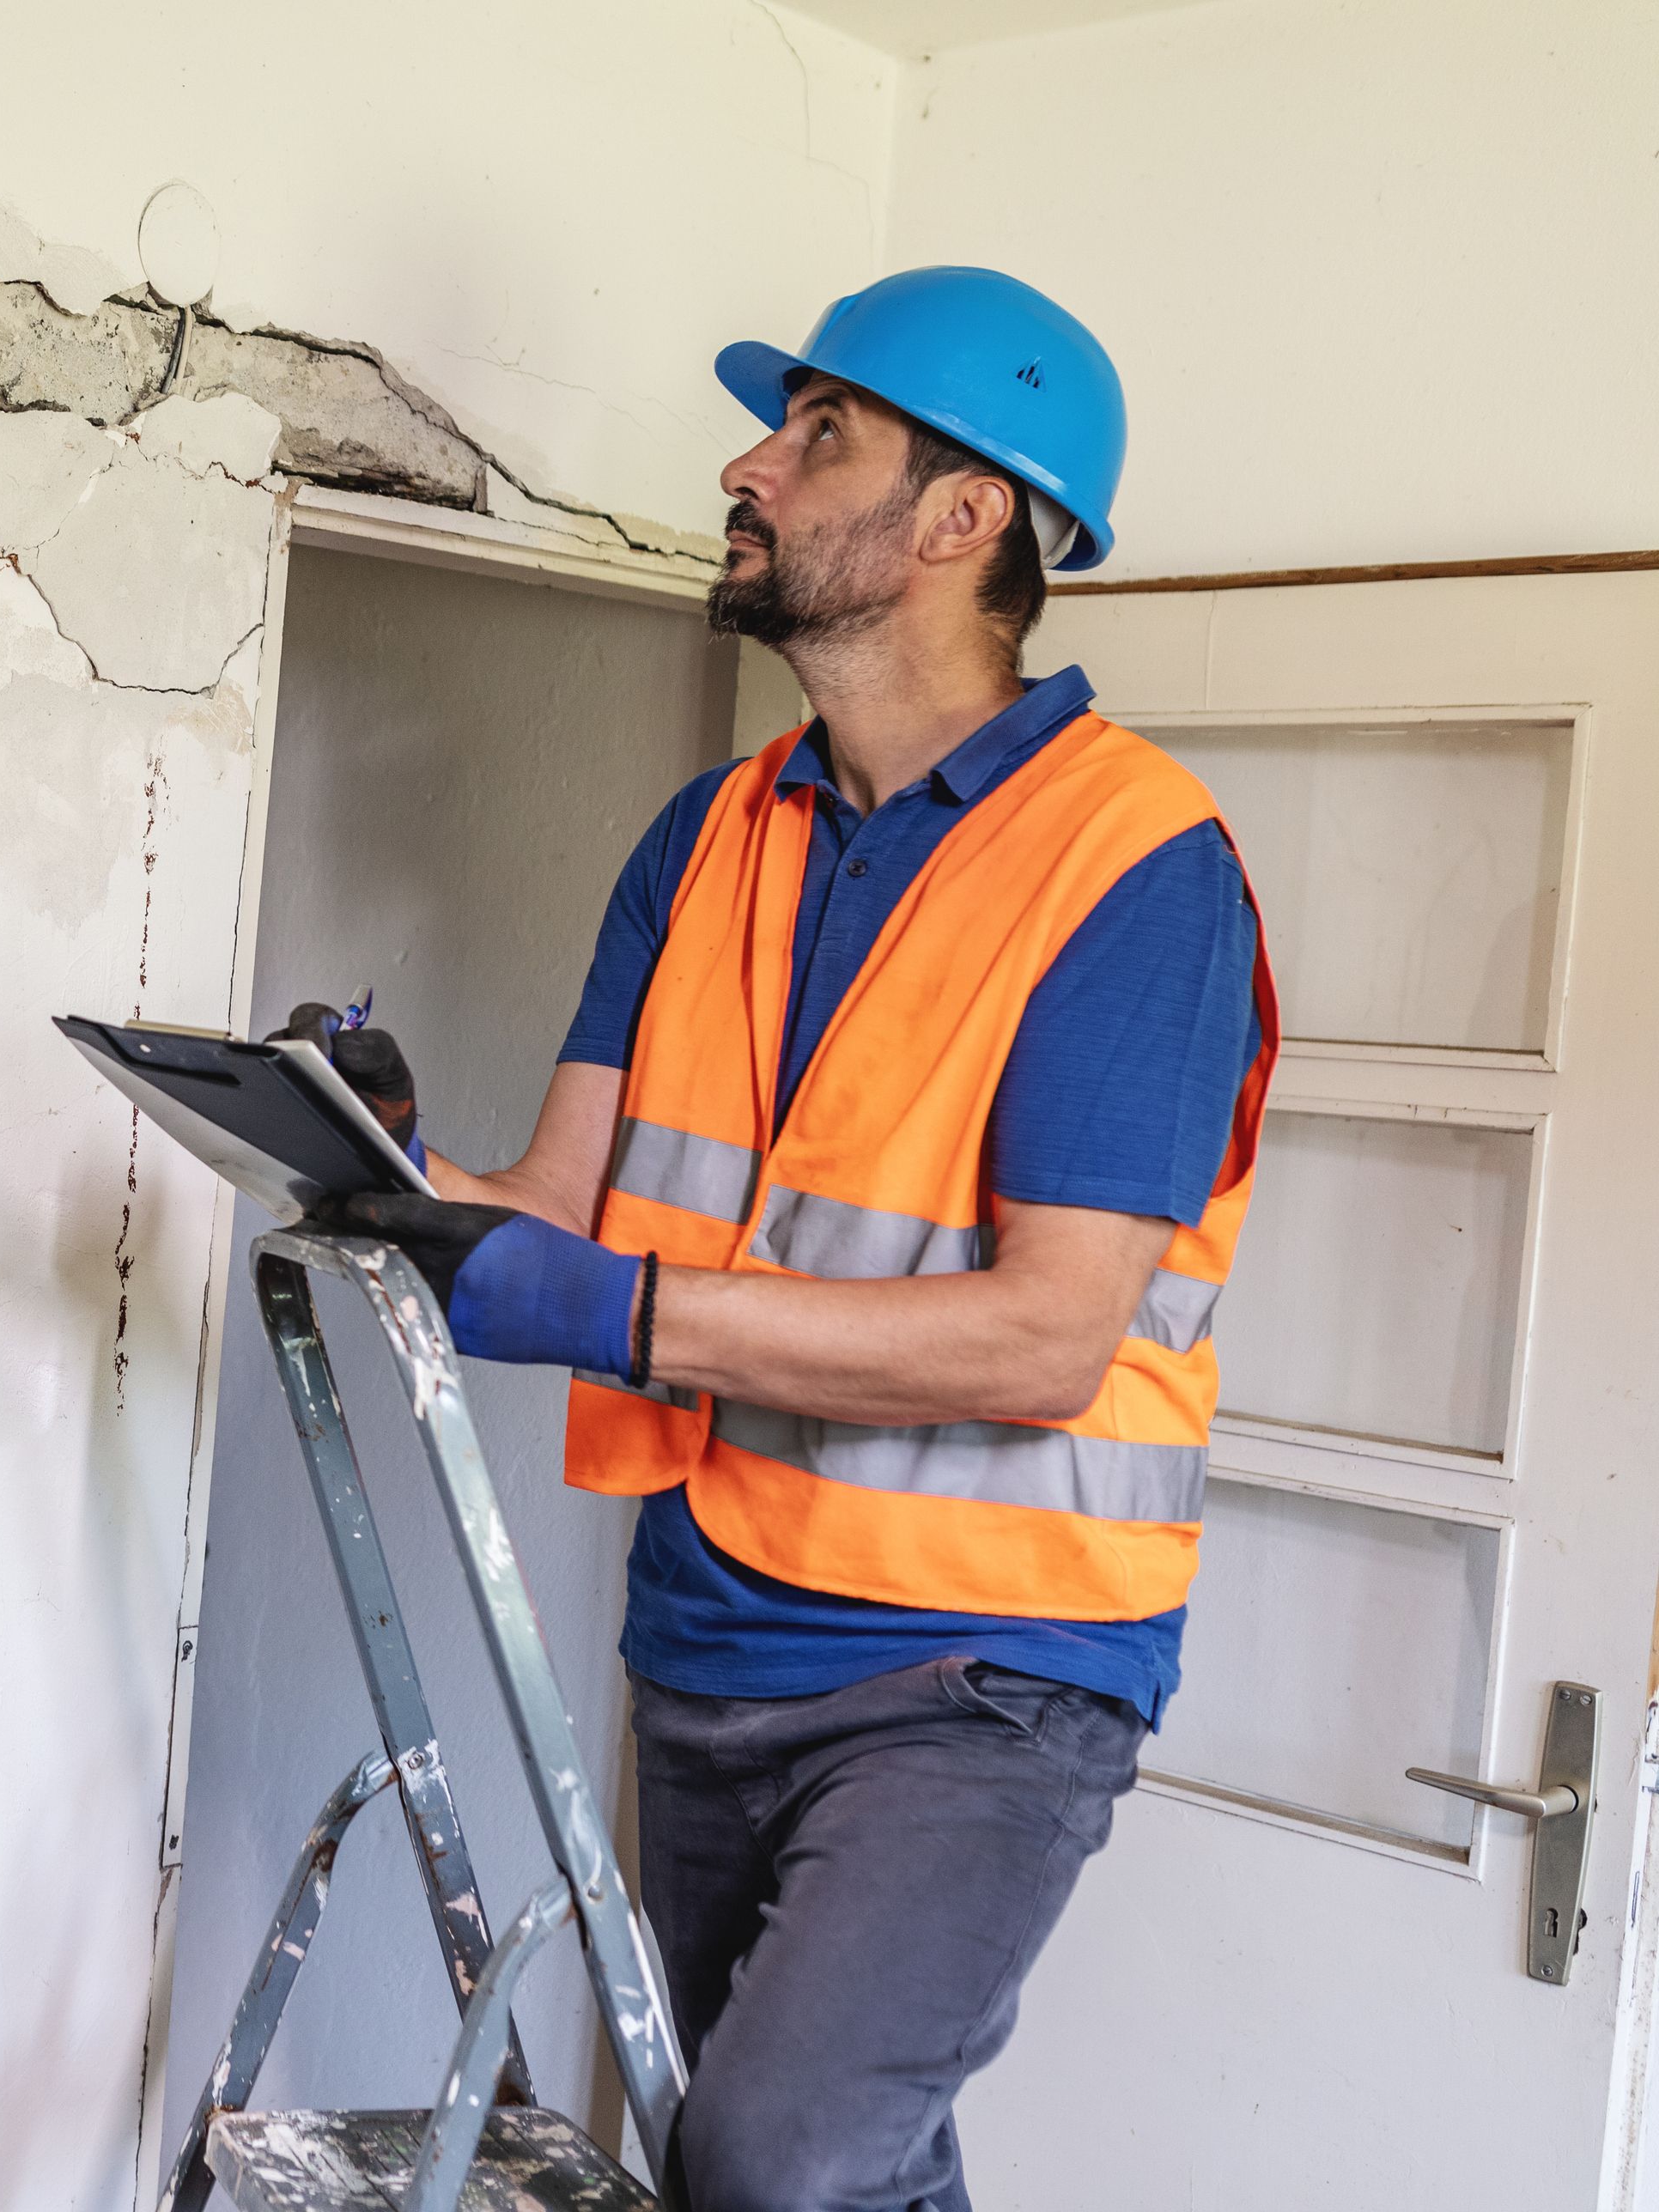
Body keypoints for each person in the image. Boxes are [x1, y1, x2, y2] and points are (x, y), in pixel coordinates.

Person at [293, 268, 1274, 2212]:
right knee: (819, 2171)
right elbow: (558, 1213)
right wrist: (379, 1153)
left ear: (964, 515)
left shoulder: (1133, 866)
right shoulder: (710, 837)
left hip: (984, 1671)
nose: (750, 466)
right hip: (709, 1628)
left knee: (773, 2159)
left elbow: (1044, 1340)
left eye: (820, 434)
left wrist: (630, 1315)